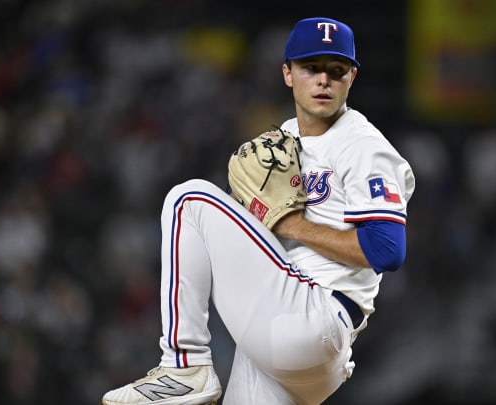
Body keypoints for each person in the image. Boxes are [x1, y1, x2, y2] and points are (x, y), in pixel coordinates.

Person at [100, 16, 415, 405]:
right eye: (310, 68)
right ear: (287, 73)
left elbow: (387, 249)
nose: (323, 80)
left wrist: (293, 225)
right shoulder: (285, 139)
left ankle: (185, 365)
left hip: (317, 316)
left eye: (336, 70)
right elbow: (249, 228)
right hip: (288, 331)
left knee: (189, 200)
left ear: (352, 76)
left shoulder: (364, 146)